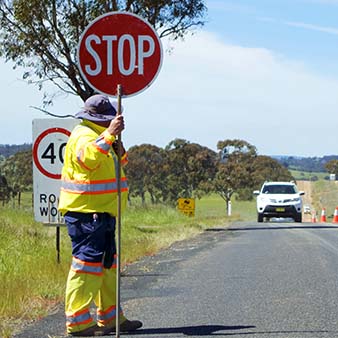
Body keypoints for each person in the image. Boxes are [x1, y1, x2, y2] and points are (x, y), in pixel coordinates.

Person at [58, 94, 142, 337]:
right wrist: (109, 135)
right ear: (100, 118)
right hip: (86, 214)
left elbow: (119, 162)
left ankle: (111, 318)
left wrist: (117, 145)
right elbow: (88, 160)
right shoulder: (83, 135)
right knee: (86, 266)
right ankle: (78, 323)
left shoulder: (102, 136)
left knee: (107, 267)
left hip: (103, 212)